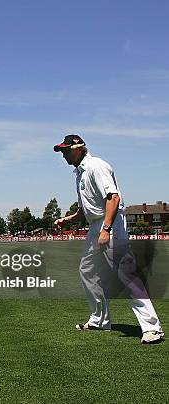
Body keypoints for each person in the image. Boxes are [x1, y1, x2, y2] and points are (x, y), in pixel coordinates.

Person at [53, 134, 164, 344]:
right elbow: (83, 209)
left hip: (110, 224)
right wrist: (66, 220)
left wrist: (106, 229)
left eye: (66, 150)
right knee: (87, 270)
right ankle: (99, 320)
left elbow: (113, 198)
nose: (64, 155)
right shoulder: (80, 173)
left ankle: (152, 328)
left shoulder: (96, 166)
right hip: (97, 225)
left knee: (126, 274)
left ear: (78, 149)